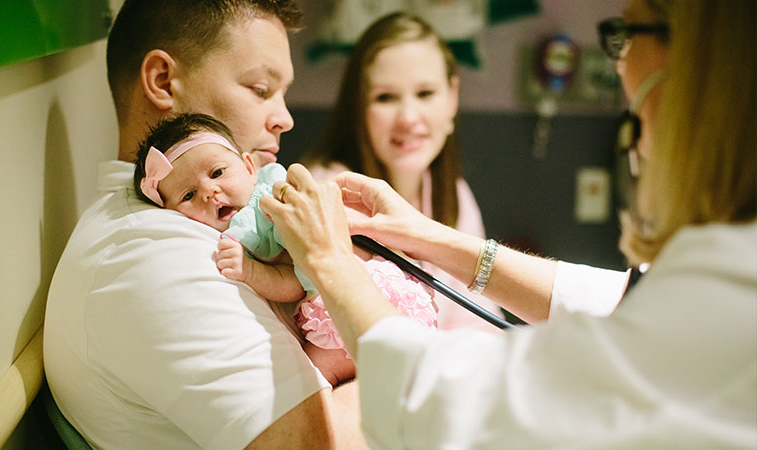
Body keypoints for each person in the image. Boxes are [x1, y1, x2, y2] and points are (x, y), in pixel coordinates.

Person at [261, 0, 756, 447]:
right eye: (386, 97)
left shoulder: (725, 294)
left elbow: (448, 404)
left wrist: (330, 260)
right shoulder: (333, 191)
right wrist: (426, 237)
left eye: (627, 37)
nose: (620, 68)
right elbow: (619, 298)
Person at [42, 1, 368, 448]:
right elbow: (317, 443)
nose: (285, 118)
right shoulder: (157, 256)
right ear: (162, 81)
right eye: (259, 88)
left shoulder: (205, 227)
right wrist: (416, 360)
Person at [131, 112, 437, 386]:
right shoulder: (232, 234)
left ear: (250, 167)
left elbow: (294, 281)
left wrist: (250, 271)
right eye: (188, 195)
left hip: (353, 303)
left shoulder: (270, 214)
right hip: (367, 305)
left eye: (217, 173)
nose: (210, 192)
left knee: (316, 382)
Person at [302, 12, 508, 332]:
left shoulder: (455, 195)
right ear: (358, 108)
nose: (409, 117)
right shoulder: (327, 193)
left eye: (425, 94)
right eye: (386, 97)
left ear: (452, 98)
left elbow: (481, 324)